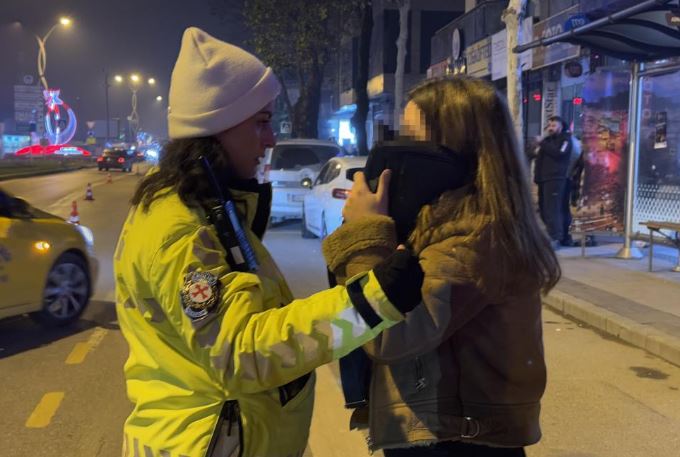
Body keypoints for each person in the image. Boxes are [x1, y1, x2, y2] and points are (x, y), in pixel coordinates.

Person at [114, 27, 424, 457]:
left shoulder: (207, 204)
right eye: (261, 124)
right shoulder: (181, 228)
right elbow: (241, 352)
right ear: (216, 128)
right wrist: (371, 300)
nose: (272, 139)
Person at [322, 77, 561, 456]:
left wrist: (364, 236)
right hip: (443, 434)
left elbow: (384, 336)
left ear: (456, 151)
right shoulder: (439, 222)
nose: (398, 154)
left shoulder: (475, 235)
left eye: (413, 141)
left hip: (455, 443)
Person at [534, 115, 574, 248]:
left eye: (554, 125)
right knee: (545, 208)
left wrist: (542, 144)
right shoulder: (546, 140)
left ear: (561, 127)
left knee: (553, 209)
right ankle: (560, 236)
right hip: (544, 179)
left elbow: (559, 153)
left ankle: (555, 237)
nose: (551, 128)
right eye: (549, 125)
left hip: (556, 179)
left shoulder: (565, 140)